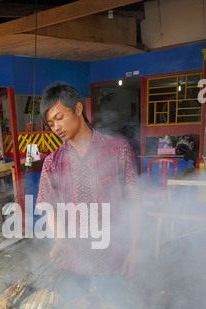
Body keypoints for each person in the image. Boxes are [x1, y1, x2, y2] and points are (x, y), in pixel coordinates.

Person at [36, 82, 142, 292]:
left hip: (115, 256)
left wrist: (135, 249)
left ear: (78, 109)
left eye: (59, 118)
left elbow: (135, 203)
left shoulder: (118, 150)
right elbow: (51, 209)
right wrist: (60, 241)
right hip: (75, 260)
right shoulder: (52, 162)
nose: (56, 127)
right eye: (50, 123)